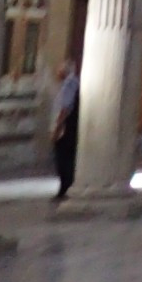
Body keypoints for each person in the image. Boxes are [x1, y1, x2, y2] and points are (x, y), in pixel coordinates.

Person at [51, 57, 79, 203]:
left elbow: (65, 108)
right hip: (69, 127)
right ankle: (66, 185)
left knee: (63, 158)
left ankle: (65, 186)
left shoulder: (69, 84)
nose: (57, 72)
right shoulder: (71, 83)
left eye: (59, 69)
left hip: (66, 128)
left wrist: (57, 127)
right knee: (66, 158)